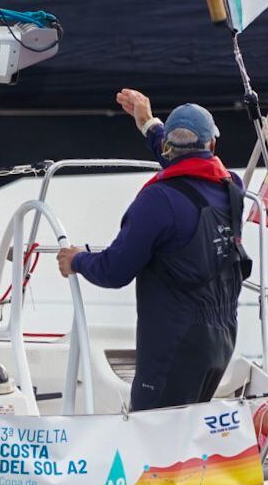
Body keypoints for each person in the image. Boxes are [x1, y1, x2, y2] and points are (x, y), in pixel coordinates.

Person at [56, 89, 250, 411]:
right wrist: (148, 124)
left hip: (175, 347)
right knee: (188, 432)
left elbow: (115, 270)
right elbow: (190, 169)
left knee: (153, 436)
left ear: (169, 149)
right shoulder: (231, 188)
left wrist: (77, 260)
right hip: (220, 341)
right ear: (212, 146)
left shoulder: (158, 201)